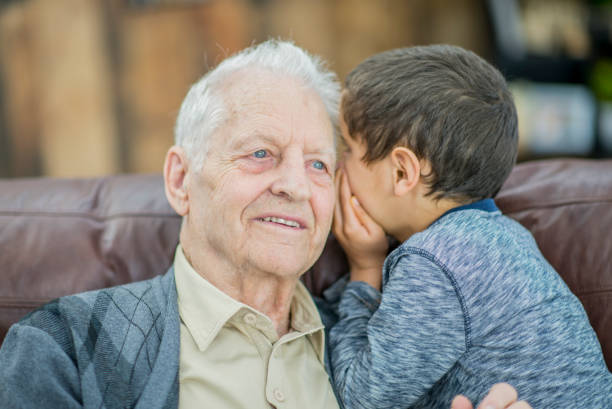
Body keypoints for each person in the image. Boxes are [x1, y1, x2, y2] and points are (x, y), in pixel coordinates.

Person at [0, 40, 530, 409]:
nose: (296, 186)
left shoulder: (389, 339)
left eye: (319, 164)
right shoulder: (64, 347)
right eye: (260, 153)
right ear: (181, 179)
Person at [327, 44, 612, 409]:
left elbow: (359, 396)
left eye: (348, 149)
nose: (337, 165)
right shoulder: (509, 236)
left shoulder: (435, 262)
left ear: (402, 172)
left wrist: (364, 270)